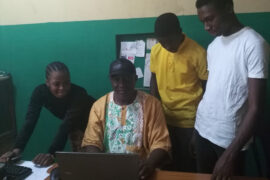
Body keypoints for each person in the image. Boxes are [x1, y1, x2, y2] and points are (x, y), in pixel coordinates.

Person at [194, 0, 269, 179]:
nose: (206, 27)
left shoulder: (253, 44)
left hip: (229, 140)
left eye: (210, 19)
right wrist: (197, 130)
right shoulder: (213, 46)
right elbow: (213, 92)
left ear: (228, 7)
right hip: (202, 130)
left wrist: (230, 155)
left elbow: (255, 108)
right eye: (202, 21)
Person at [81, 58, 171, 180]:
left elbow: (161, 143)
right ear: (110, 80)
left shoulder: (152, 104)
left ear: (135, 79)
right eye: (116, 79)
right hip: (108, 171)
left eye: (127, 78)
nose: (122, 84)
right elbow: (91, 142)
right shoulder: (99, 106)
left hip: (142, 171)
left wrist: (149, 164)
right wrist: (100, 165)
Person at [0, 61, 95, 166]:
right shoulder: (40, 93)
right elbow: (30, 121)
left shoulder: (79, 94)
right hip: (75, 127)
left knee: (92, 163)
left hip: (96, 126)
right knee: (82, 165)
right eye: (56, 84)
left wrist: (51, 154)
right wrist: (17, 149)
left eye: (66, 83)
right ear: (47, 82)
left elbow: (66, 125)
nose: (62, 88)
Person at [150, 12, 208, 172]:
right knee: (166, 164)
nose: (167, 46)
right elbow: (153, 79)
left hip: (190, 122)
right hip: (164, 119)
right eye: (162, 42)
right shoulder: (156, 51)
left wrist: (199, 129)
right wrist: (155, 110)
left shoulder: (198, 53)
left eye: (170, 40)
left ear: (180, 31)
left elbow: (208, 91)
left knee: (187, 166)